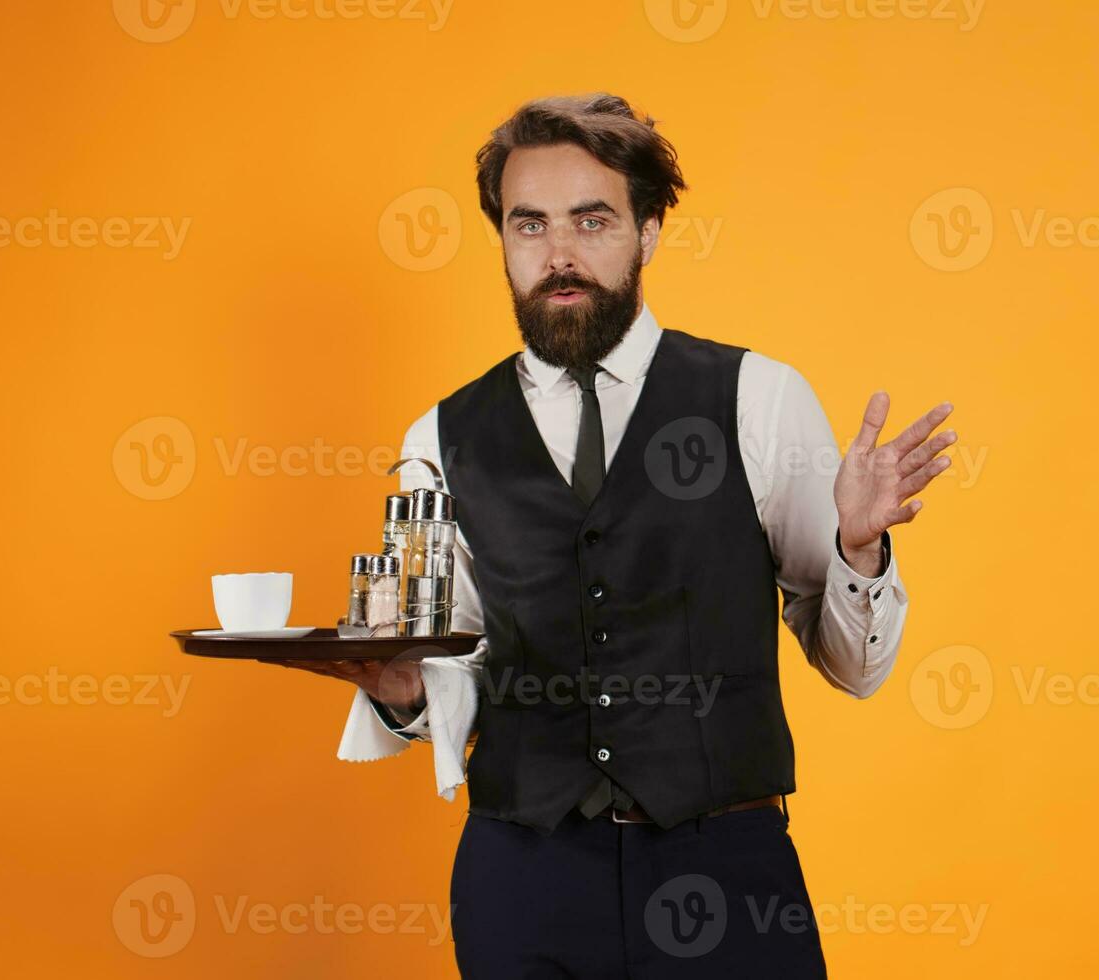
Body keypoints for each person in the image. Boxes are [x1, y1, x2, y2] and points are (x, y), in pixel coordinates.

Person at [279, 92, 957, 978]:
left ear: (648, 232)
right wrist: (404, 690)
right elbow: (455, 671)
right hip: (523, 882)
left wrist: (858, 551)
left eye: (591, 220)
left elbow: (854, 668)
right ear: (504, 242)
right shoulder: (439, 439)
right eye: (529, 226)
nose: (558, 255)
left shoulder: (758, 398)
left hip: (727, 867)